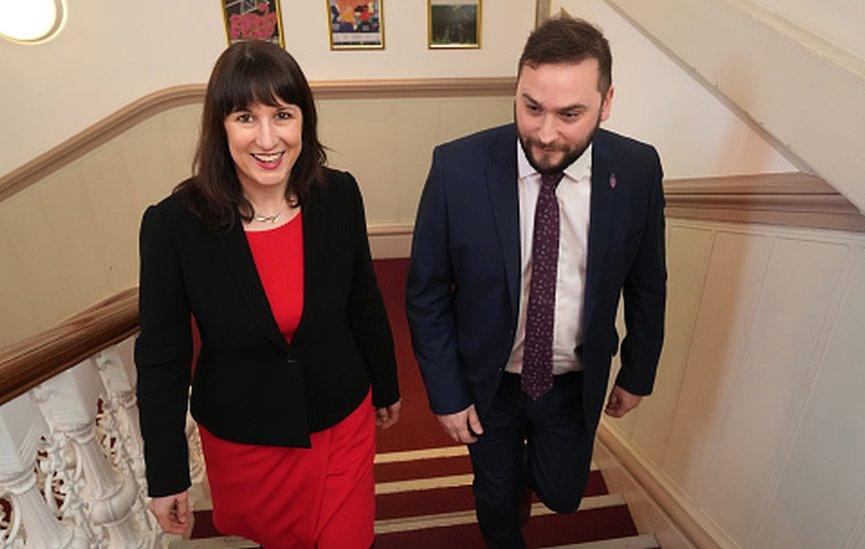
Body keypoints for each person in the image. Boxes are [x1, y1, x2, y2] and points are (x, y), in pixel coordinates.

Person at [406, 16, 666, 548]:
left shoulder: (637, 169)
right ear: (518, 91)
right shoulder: (457, 167)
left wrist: (638, 370)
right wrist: (446, 393)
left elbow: (647, 279)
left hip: (573, 379)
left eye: (570, 114)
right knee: (495, 500)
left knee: (564, 493)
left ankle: (529, 476)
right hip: (490, 381)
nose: (545, 133)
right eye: (531, 107)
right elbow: (426, 291)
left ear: (606, 101)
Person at [135, 40, 400, 548]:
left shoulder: (339, 194)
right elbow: (162, 357)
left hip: (339, 416)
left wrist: (385, 383)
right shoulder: (173, 224)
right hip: (246, 437)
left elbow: (362, 298)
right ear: (220, 127)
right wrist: (165, 472)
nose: (267, 138)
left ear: (304, 120)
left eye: (282, 114)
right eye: (244, 117)